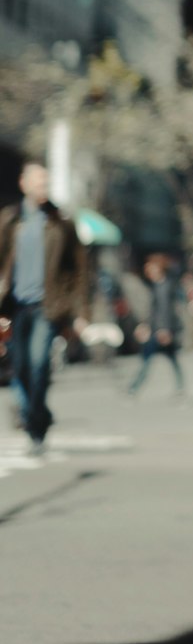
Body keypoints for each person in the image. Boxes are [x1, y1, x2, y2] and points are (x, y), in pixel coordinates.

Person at [0, 160, 89, 455]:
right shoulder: (10, 221)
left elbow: (79, 269)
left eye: (46, 183)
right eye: (37, 182)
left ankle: (36, 426)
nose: (42, 188)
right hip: (15, 306)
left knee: (39, 364)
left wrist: (79, 312)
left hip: (47, 307)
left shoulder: (61, 221)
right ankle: (41, 413)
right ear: (23, 184)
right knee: (20, 368)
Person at [127, 254, 186, 398]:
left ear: (159, 269)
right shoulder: (157, 286)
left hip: (162, 331)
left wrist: (164, 330)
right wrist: (145, 326)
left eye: (151, 268)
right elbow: (153, 312)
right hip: (157, 330)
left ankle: (135, 388)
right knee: (162, 360)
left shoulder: (165, 287)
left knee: (153, 360)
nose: (148, 271)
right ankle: (179, 388)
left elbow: (166, 311)